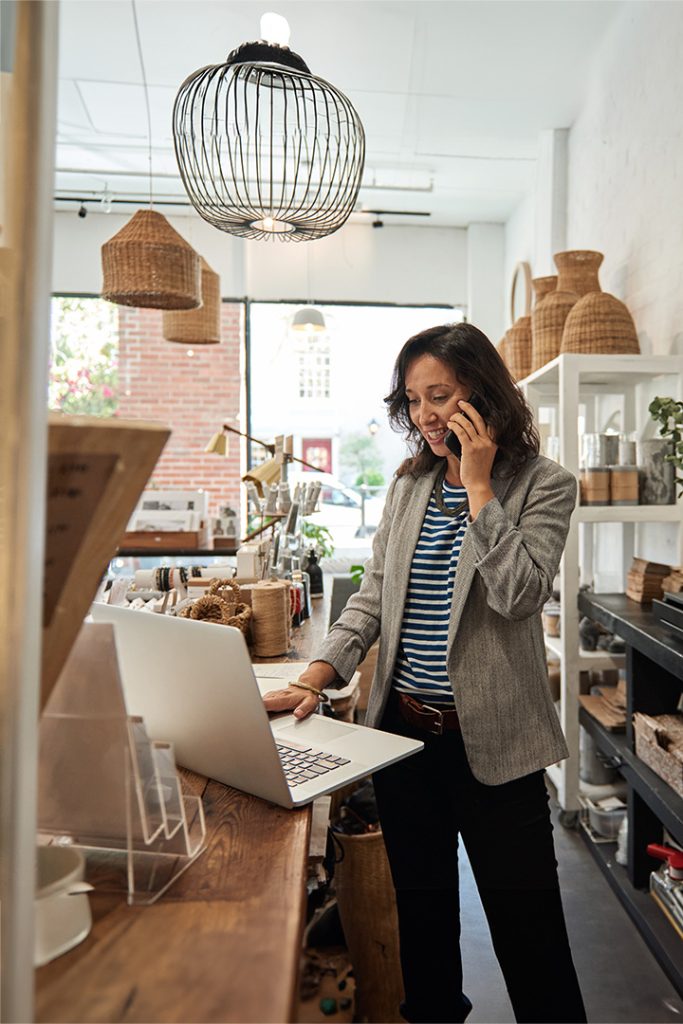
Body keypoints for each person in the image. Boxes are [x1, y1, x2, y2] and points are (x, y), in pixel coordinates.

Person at [263, 323, 587, 1024]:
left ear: (482, 392)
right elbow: (374, 598)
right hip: (405, 744)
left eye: (438, 394)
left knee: (530, 938)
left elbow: (519, 593)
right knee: (424, 926)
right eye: (413, 399)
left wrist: (477, 488)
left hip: (498, 751)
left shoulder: (544, 485)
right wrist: (318, 675)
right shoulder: (407, 487)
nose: (425, 414)